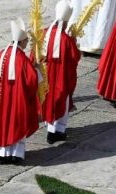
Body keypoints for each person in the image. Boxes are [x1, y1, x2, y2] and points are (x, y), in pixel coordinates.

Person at [0, 20, 40, 165]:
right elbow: (32, 80)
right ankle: (15, 155)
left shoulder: (1, 54)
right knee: (16, 122)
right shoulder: (21, 59)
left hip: (1, 98)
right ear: (22, 41)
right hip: (16, 99)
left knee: (1, 122)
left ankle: (2, 154)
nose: (27, 43)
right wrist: (37, 70)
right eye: (26, 41)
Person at [43, 0, 82, 143]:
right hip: (61, 78)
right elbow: (75, 57)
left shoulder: (44, 34)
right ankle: (58, 131)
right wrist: (74, 43)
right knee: (61, 102)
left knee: (48, 101)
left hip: (46, 77)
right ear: (65, 22)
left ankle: (50, 127)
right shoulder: (66, 39)